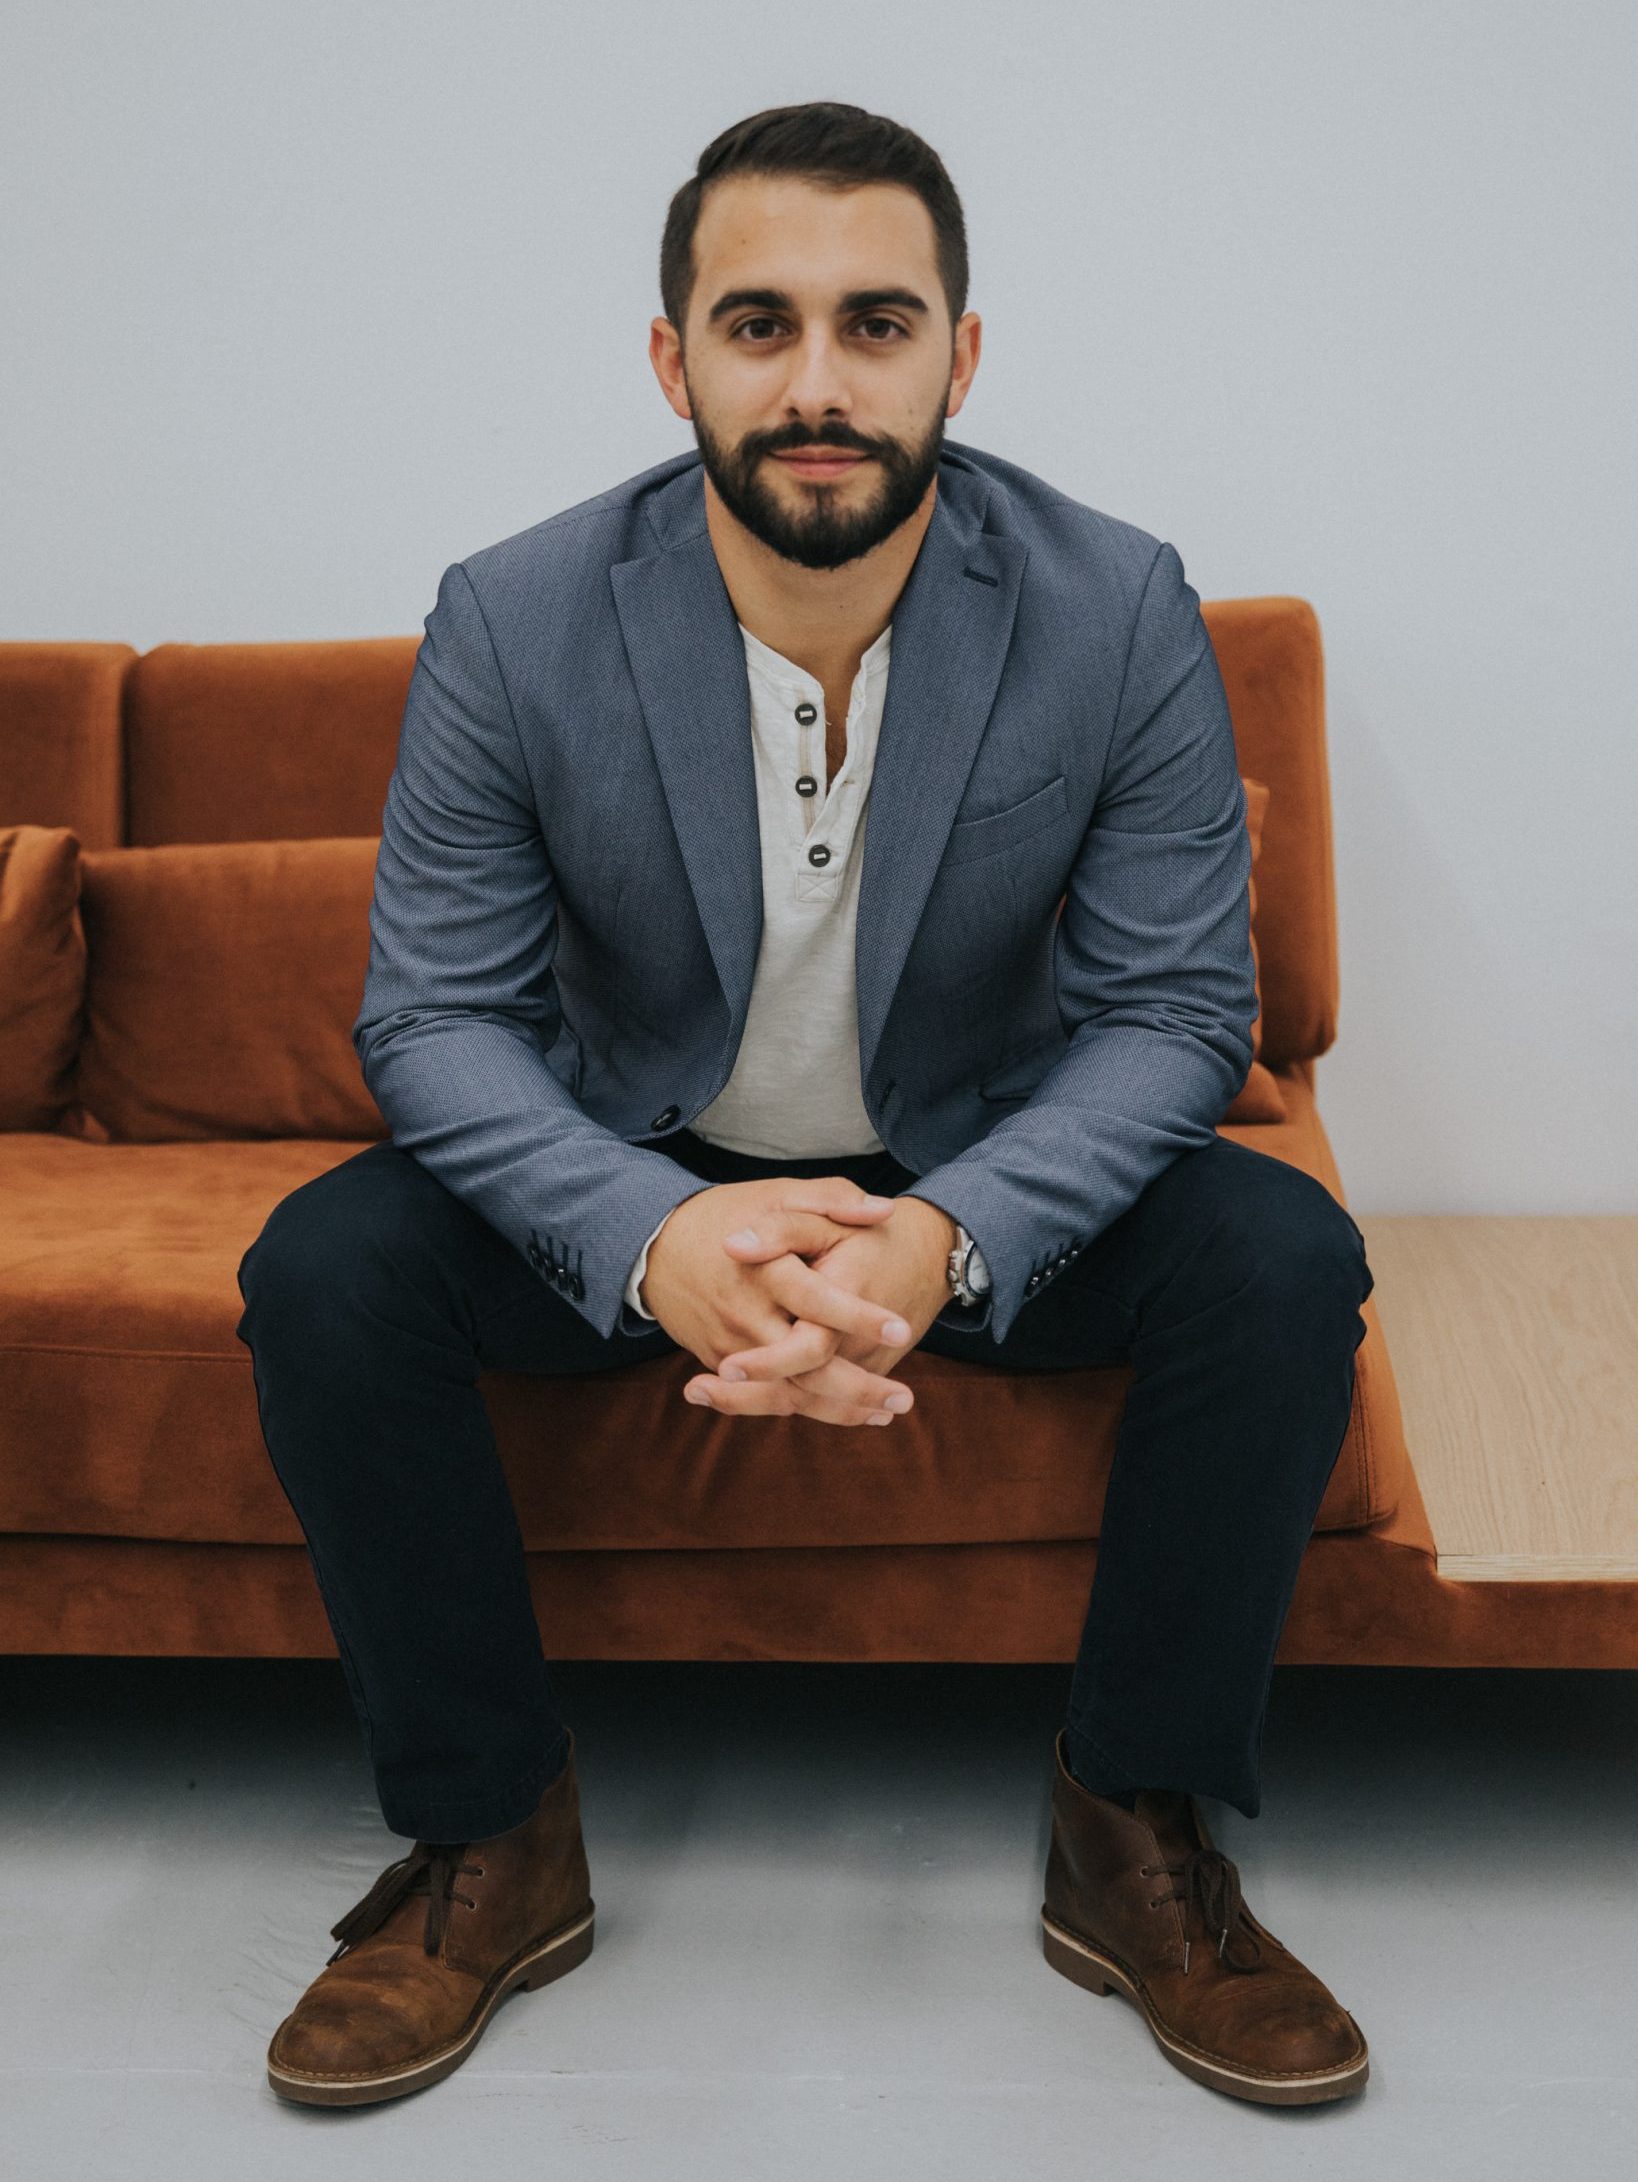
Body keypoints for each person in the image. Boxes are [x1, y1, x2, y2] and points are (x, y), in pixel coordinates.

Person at [235, 99, 1375, 2111]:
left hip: (980, 1161)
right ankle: (492, 1829)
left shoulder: (1116, 607)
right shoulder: (515, 613)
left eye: (877, 322)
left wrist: (947, 1234)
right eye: (759, 324)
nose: (819, 384)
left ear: (962, 355)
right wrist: (650, 1233)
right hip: (639, 1158)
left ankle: (1132, 1820)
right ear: (671, 357)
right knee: (329, 1267)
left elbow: (1181, 1010)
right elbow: (435, 1018)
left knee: (1279, 1255)